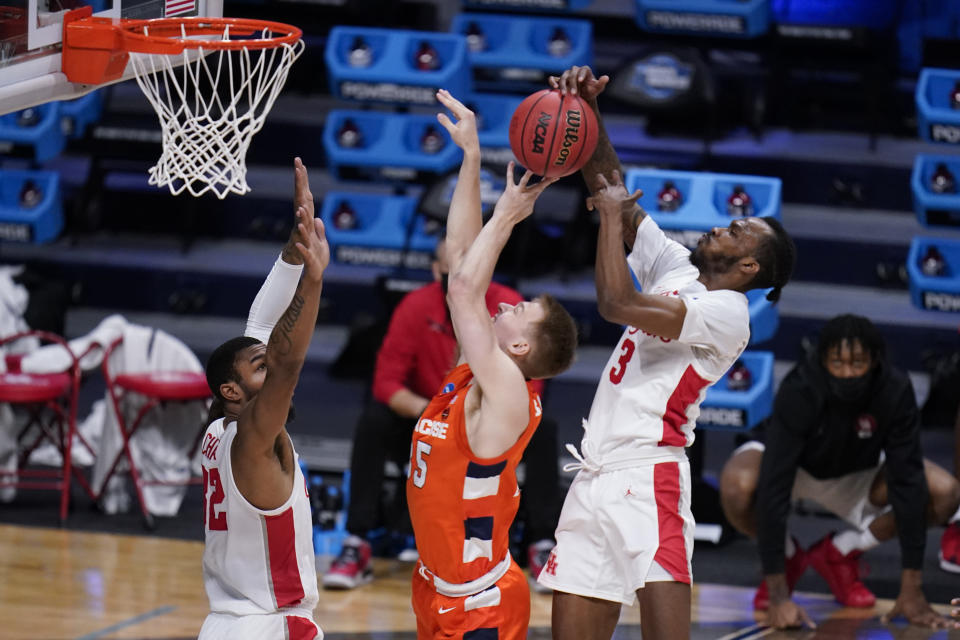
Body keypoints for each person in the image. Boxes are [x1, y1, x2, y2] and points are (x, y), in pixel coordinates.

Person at [535, 66, 797, 640]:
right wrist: (585, 113)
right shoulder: (677, 267)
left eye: (736, 231)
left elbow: (615, 303)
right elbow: (616, 194)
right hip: (593, 474)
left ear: (750, 266)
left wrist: (607, 221)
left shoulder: (730, 315)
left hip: (647, 477)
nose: (719, 230)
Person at [406, 89, 578, 639]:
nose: (504, 304)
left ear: (521, 349)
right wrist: (472, 160)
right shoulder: (475, 374)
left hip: (480, 607)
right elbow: (459, 260)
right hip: (436, 587)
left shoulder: (507, 392)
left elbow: (461, 289)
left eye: (518, 311)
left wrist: (506, 214)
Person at [324, 237, 562, 590]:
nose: (463, 274)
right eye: (453, 267)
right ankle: (357, 541)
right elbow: (386, 383)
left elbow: (530, 384)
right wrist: (434, 413)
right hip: (427, 415)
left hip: (489, 422)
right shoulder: (415, 305)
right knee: (373, 420)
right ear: (438, 270)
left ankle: (543, 544)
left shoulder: (505, 313)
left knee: (545, 428)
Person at [719, 314, 960, 631]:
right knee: (739, 485)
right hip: (793, 469)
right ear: (822, 360)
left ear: (874, 361)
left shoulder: (895, 389)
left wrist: (912, 588)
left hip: (859, 471)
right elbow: (774, 487)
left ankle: (842, 551)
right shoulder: (800, 388)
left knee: (945, 493)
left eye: (857, 363)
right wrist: (778, 596)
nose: (848, 372)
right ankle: (788, 559)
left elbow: (908, 481)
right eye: (838, 363)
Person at [197, 158, 328, 640]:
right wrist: (313, 280)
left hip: (223, 625)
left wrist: (296, 249)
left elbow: (261, 326)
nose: (269, 365)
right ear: (232, 391)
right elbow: (286, 363)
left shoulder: (217, 430)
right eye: (260, 367)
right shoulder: (252, 439)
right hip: (272, 626)